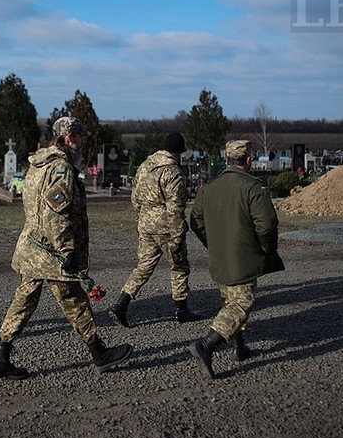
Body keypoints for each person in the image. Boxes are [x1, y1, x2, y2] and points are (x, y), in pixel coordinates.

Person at [0, 117, 133, 380]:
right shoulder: (61, 168)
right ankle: (100, 354)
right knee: (74, 300)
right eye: (81, 137)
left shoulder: (37, 164)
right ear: (69, 138)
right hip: (52, 252)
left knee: (23, 302)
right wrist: (67, 250)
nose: (83, 142)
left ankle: (2, 357)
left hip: (32, 249)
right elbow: (56, 213)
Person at [188, 140, 285, 378]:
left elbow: (196, 221)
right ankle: (207, 344)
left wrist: (212, 243)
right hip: (244, 258)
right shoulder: (252, 187)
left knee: (229, 300)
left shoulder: (208, 188)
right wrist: (264, 249)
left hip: (219, 258)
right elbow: (267, 225)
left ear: (227, 160)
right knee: (241, 303)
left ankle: (239, 347)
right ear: (248, 160)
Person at [108, 132, 203, 327]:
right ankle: (182, 310)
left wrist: (141, 218)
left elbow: (135, 197)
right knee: (179, 266)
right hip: (166, 228)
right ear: (178, 152)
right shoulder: (173, 172)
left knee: (144, 266)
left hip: (146, 225)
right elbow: (175, 208)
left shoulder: (145, 166)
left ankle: (121, 304)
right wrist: (178, 236)